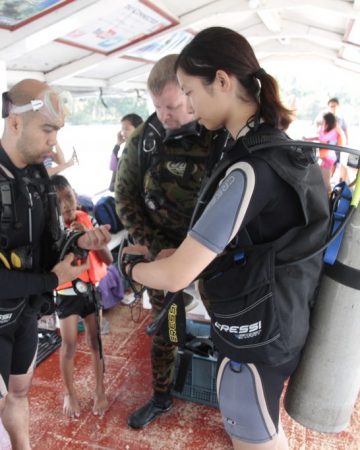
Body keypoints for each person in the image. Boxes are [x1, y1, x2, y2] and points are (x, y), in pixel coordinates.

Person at [121, 27, 330, 449]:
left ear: (222, 81)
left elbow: (178, 274)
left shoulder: (250, 167)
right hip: (276, 320)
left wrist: (132, 268)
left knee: (255, 436)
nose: (190, 105)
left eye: (189, 90)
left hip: (258, 338)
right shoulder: (273, 147)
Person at [115, 54, 227, 429]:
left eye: (174, 106)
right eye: (158, 106)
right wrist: (152, 247)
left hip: (213, 251)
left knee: (228, 320)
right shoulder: (142, 140)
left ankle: (231, 389)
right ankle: (162, 396)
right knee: (167, 324)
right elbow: (124, 199)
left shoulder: (218, 134)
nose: (165, 115)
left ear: (192, 97)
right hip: (162, 252)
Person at [0, 79, 111, 450]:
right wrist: (50, 278)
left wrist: (80, 240)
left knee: (19, 394)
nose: (53, 141)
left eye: (57, 131)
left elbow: (50, 243)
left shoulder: (38, 181)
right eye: (47, 129)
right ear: (15, 122)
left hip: (26, 315)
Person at [52, 174, 113, 418]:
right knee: (69, 345)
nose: (66, 205)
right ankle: (70, 392)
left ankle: (100, 390)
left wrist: (89, 234)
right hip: (66, 294)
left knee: (95, 340)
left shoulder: (87, 220)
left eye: (68, 197)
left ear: (76, 195)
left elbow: (108, 259)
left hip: (89, 292)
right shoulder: (51, 230)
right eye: (58, 201)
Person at [306, 112, 345, 192]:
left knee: (326, 182)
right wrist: (308, 139)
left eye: (324, 120)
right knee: (318, 178)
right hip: (323, 158)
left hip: (329, 158)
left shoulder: (334, 131)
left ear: (328, 121)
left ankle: (328, 200)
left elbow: (324, 139)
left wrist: (321, 130)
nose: (323, 122)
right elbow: (320, 137)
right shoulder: (326, 129)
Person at [109, 113, 143, 191]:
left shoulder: (140, 149)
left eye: (127, 129)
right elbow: (113, 166)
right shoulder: (128, 148)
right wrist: (117, 144)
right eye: (122, 129)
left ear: (138, 130)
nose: (123, 132)